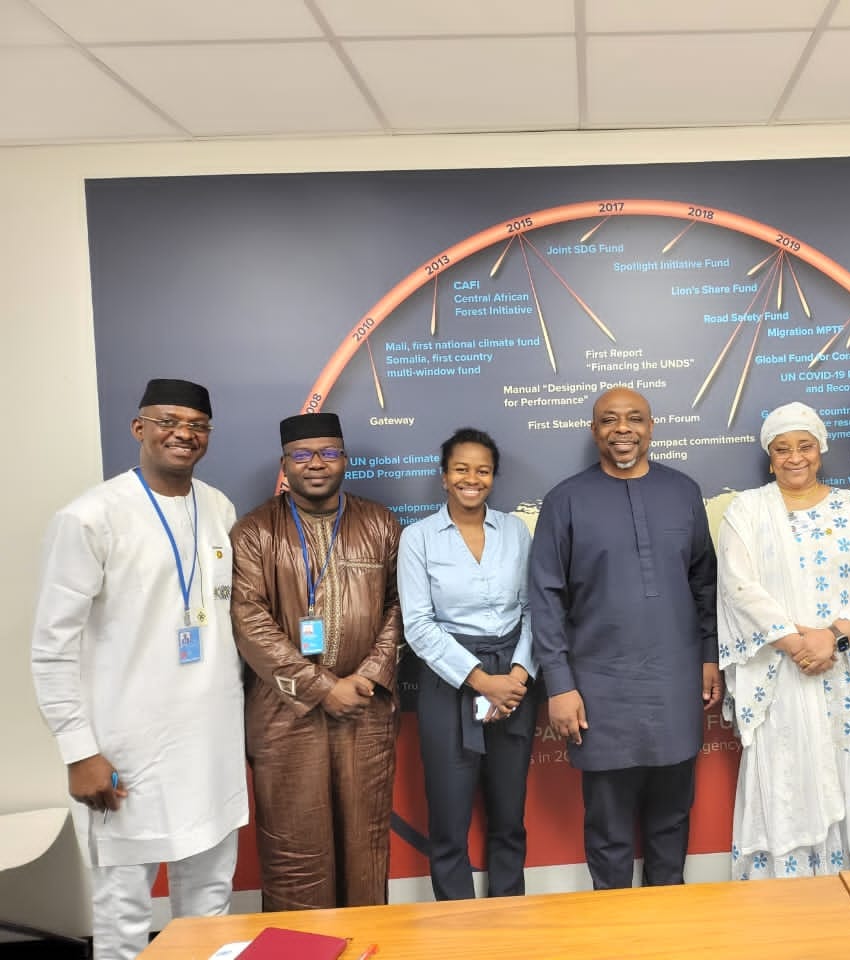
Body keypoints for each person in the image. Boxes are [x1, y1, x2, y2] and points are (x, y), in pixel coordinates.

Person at [31, 378, 247, 960]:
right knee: (124, 917)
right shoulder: (89, 517)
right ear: (139, 428)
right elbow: (51, 647)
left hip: (210, 749)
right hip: (125, 753)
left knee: (209, 907)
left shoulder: (219, 507)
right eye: (168, 420)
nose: (184, 433)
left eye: (198, 425)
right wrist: (78, 750)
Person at [529, 387, 720, 890]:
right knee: (609, 833)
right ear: (595, 432)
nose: (623, 430)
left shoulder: (683, 491)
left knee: (671, 822)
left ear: (651, 427)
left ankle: (669, 930)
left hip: (674, 683)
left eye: (634, 419)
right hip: (598, 690)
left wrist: (708, 656)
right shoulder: (565, 500)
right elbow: (545, 599)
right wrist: (559, 685)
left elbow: (704, 582)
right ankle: (615, 934)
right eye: (609, 420)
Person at [717, 401, 850, 879]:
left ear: (820, 450)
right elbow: (739, 586)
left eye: (805, 446)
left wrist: (832, 638)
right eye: (783, 449)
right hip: (781, 676)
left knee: (848, 772)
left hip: (843, 669)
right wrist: (796, 643)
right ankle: (788, 899)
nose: (795, 457)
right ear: (769, 456)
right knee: (786, 774)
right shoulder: (747, 511)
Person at [230, 412, 402, 910]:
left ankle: (371, 944)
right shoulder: (255, 531)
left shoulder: (380, 524)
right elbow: (250, 621)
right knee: (295, 851)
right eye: (302, 455)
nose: (316, 464)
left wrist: (367, 676)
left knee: (364, 845)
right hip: (284, 714)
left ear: (345, 460)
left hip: (364, 711)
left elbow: (400, 608)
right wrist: (322, 687)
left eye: (328, 452)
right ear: (285, 464)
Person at [399, 427, 537, 901]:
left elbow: (533, 610)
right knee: (449, 820)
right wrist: (482, 682)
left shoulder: (515, 530)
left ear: (494, 477)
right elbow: (418, 625)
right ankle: (456, 928)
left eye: (482, 470)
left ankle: (508, 917)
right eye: (461, 469)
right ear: (443, 477)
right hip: (449, 685)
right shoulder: (418, 537)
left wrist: (516, 677)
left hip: (514, 681)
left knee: (509, 816)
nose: (471, 478)